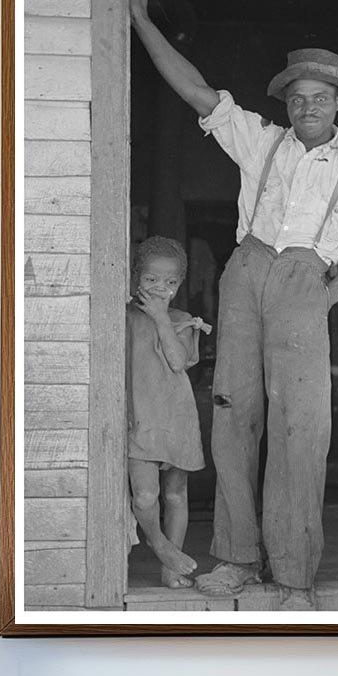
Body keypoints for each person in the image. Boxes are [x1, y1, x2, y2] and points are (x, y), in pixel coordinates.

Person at [129, 0, 338, 610]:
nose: (309, 108)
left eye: (320, 97)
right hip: (246, 273)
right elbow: (193, 90)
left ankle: (295, 575)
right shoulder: (261, 141)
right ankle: (237, 560)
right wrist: (139, 19)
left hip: (307, 283)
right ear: (287, 103)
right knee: (234, 418)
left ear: (337, 103)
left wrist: (326, 296)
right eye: (298, 98)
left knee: (303, 429)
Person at [126, 235, 212, 589]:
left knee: (176, 495)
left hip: (176, 418)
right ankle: (159, 545)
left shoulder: (182, 320)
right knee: (146, 495)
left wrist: (163, 318)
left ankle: (171, 568)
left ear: (179, 284)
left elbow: (178, 362)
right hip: (139, 418)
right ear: (135, 278)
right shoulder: (122, 317)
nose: (160, 287)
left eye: (170, 282)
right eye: (151, 280)